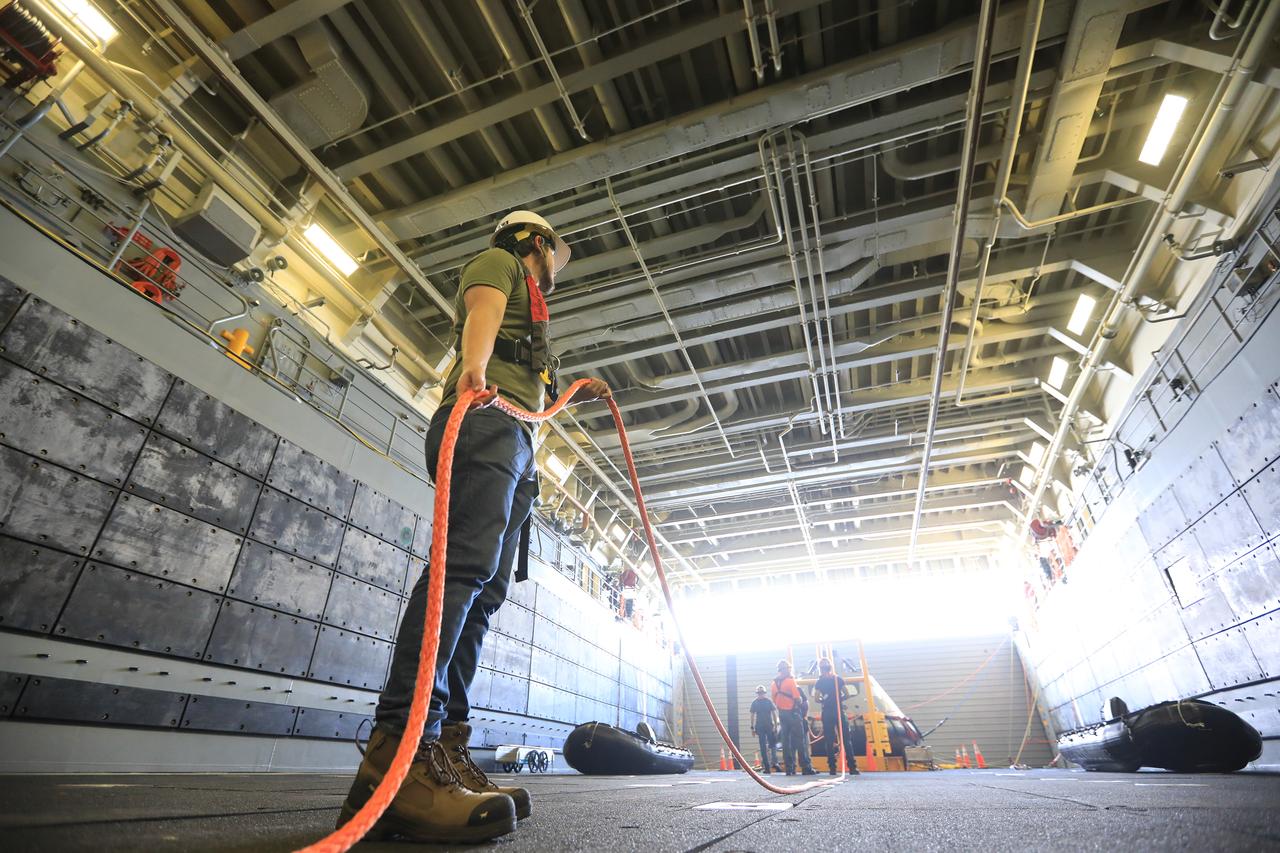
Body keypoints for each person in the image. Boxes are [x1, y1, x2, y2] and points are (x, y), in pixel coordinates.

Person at [339, 211, 610, 843]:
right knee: (460, 572)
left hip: (516, 435)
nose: (554, 264)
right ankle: (401, 752)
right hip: (485, 418)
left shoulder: (534, 297)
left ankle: (447, 749)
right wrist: (476, 368)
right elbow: (482, 308)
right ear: (537, 242)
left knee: (484, 592)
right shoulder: (503, 264)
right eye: (554, 252)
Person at [813, 658, 859, 775]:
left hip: (827, 712)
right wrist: (839, 699)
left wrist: (824, 700)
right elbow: (847, 694)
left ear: (820, 668)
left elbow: (816, 698)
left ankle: (832, 768)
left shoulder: (820, 682)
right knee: (846, 740)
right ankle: (853, 768)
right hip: (838, 711)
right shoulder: (837, 679)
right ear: (830, 667)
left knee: (829, 740)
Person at [771, 660, 816, 776]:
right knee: (800, 741)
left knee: (786, 742)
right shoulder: (790, 681)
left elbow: (774, 700)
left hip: (782, 714)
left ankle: (790, 769)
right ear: (786, 669)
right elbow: (798, 698)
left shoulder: (774, 684)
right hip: (793, 714)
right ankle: (806, 767)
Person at [749, 685, 782, 774]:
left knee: (773, 745)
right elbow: (752, 715)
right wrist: (752, 727)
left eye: (762, 693)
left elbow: (774, 713)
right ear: (757, 694)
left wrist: (775, 725)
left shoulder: (768, 702)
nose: (761, 695)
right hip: (760, 727)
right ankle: (767, 767)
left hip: (769, 726)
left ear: (764, 693)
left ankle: (775, 763)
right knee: (763, 746)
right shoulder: (755, 703)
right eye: (759, 693)